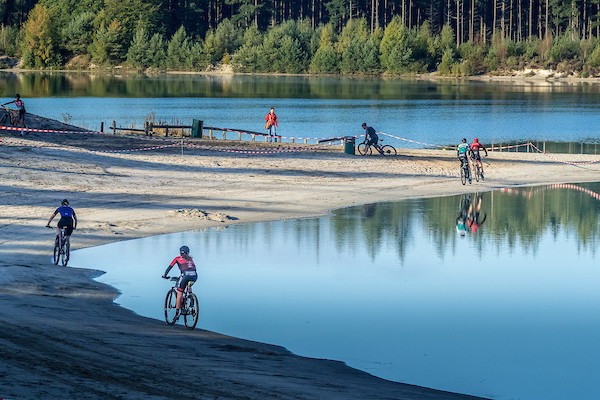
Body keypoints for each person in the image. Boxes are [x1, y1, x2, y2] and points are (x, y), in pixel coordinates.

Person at [162, 245, 198, 318]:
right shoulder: (190, 259)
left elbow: (169, 267)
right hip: (194, 276)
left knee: (179, 293)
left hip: (185, 276)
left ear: (180, 252)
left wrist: (165, 275)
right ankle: (191, 299)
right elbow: (192, 268)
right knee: (189, 285)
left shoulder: (177, 258)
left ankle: (177, 313)